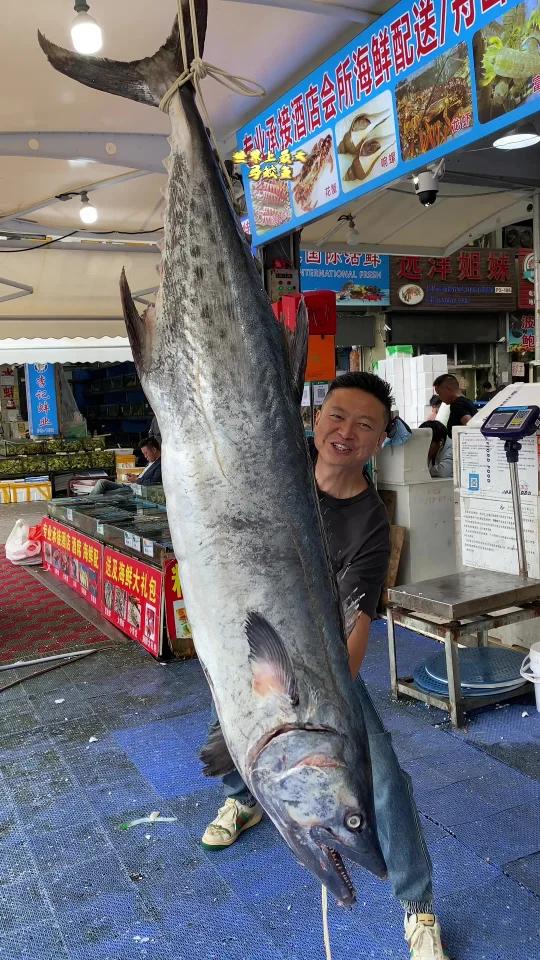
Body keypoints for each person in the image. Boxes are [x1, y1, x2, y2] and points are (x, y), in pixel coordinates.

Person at [201, 372, 448, 960]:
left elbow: (357, 631)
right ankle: (248, 797)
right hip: (249, 649)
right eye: (337, 416)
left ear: (383, 438)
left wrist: (315, 705)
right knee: (227, 741)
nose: (347, 432)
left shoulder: (371, 524)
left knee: (379, 782)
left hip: (321, 677)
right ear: (315, 420)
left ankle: (417, 907)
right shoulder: (273, 483)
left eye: (366, 424)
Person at [92, 436, 162, 494]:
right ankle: (87, 502)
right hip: (130, 486)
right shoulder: (151, 462)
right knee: (101, 482)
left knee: (106, 493)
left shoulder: (160, 465)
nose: (145, 456)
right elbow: (144, 476)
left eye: (146, 453)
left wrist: (137, 480)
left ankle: (88, 504)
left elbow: (154, 483)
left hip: (134, 491)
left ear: (154, 450)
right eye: (144, 454)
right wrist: (135, 477)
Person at [433, 373, 476, 437]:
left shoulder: (458, 405)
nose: (440, 397)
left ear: (448, 389)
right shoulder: (466, 401)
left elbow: (470, 427)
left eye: (439, 393)